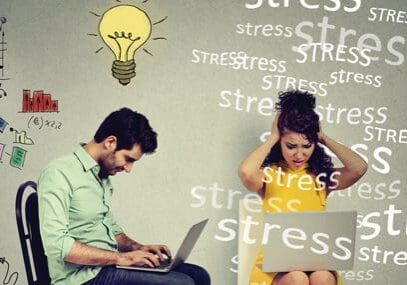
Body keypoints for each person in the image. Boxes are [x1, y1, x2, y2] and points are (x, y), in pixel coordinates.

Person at [38, 107, 211, 285]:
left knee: (199, 276)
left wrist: (139, 248)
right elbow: (56, 245)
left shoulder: (101, 176)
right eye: (128, 159)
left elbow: (112, 231)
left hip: (108, 266)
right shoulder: (59, 173)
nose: (128, 169)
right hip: (81, 278)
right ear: (110, 142)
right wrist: (122, 259)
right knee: (181, 283)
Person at [238, 90, 368, 285]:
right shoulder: (270, 175)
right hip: (277, 269)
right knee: (297, 278)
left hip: (316, 262)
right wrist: (274, 136)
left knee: (322, 276)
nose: (299, 154)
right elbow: (247, 173)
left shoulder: (320, 177)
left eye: (307, 145)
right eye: (291, 146)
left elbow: (359, 168)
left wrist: (323, 137)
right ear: (280, 143)